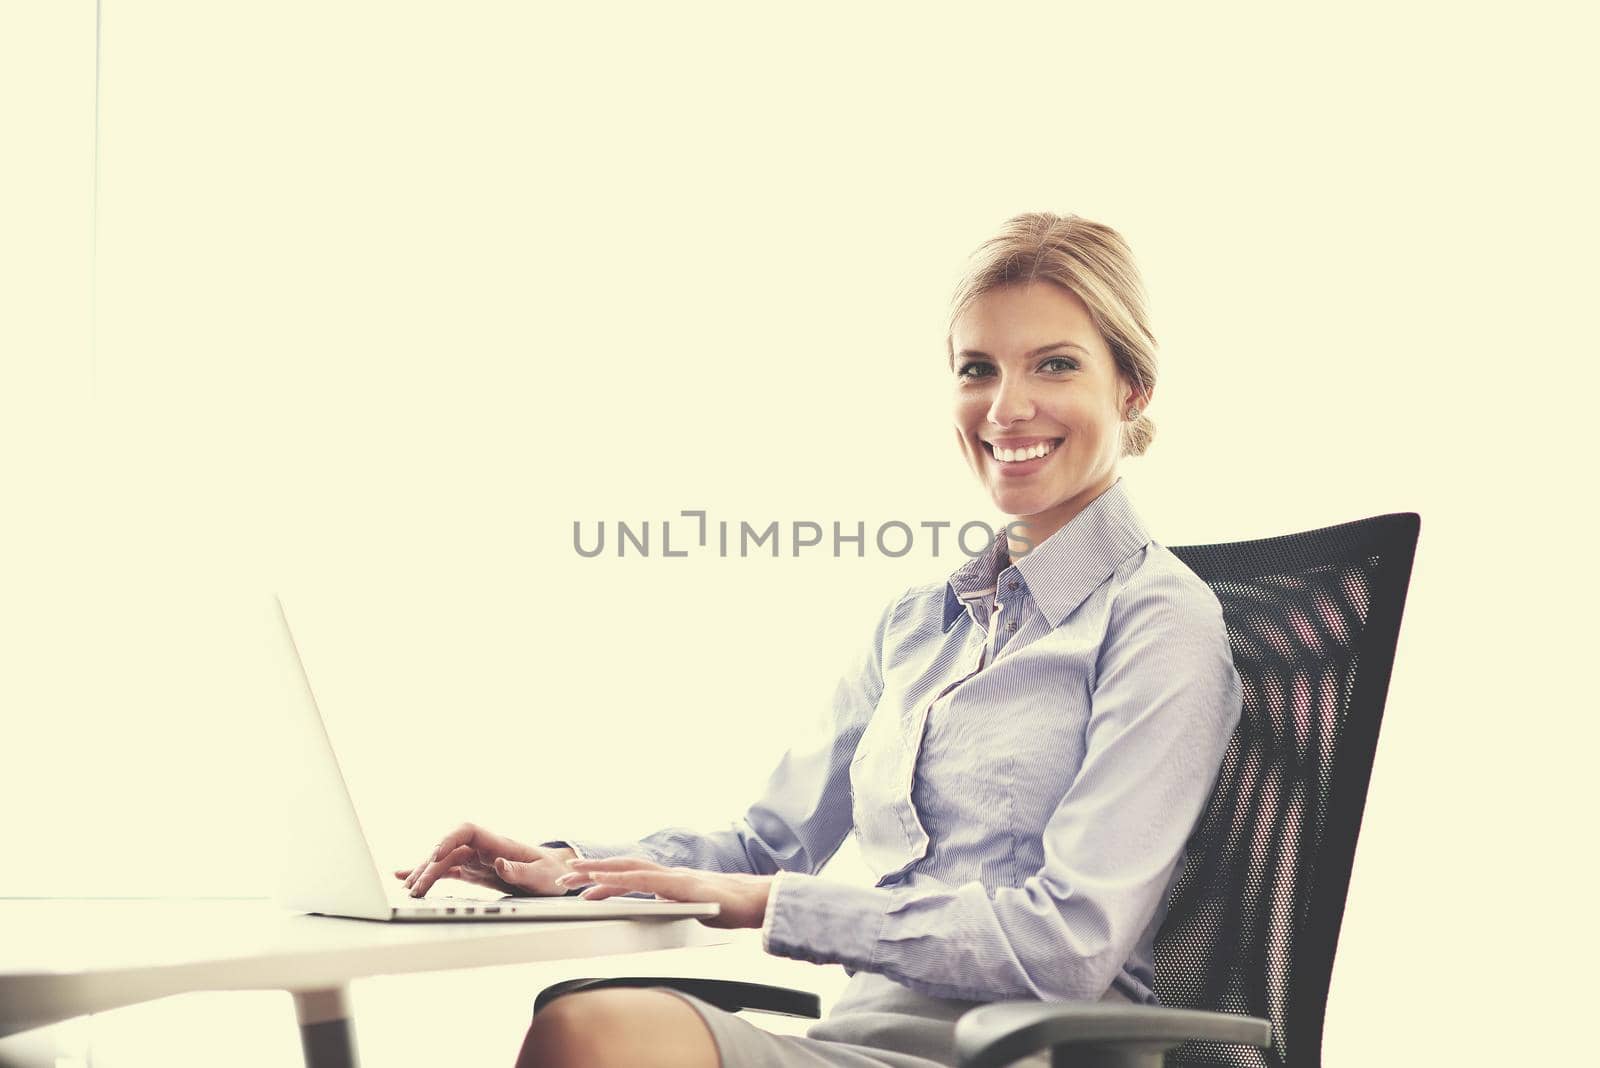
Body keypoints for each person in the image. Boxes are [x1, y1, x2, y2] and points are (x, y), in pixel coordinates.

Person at [394, 212, 1244, 1067]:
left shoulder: (1160, 620)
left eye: (1054, 365)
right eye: (976, 370)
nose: (1005, 407)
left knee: (598, 1033)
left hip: (1020, 1056)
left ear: (1130, 387)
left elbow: (1070, 941)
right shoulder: (923, 623)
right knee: (596, 1020)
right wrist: (568, 866)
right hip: (858, 1040)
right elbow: (763, 844)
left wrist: (773, 904)